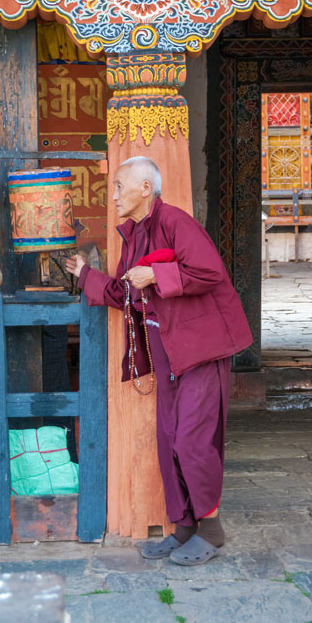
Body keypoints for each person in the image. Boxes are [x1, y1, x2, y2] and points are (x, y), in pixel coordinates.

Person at [66, 156, 253, 564]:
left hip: (200, 348)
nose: (112, 195)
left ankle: (211, 528)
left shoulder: (175, 222)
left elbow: (209, 273)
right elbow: (122, 294)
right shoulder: (133, 237)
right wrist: (84, 275)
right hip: (165, 351)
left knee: (192, 439)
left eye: (119, 186)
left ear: (145, 188)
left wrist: (155, 276)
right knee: (169, 438)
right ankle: (184, 528)